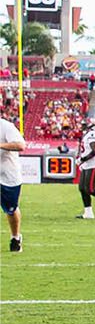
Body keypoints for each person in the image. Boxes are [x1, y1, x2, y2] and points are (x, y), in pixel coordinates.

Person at [0, 106, 23, 251]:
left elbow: (21, 145)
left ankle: (15, 237)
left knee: (11, 209)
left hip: (7, 177)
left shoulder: (6, 127)